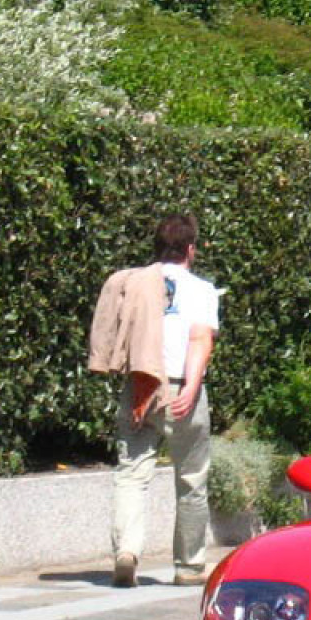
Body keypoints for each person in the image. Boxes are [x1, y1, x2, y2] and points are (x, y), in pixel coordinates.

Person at [110, 214, 220, 587]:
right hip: (179, 387)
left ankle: (127, 551)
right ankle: (188, 567)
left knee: (131, 474)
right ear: (190, 249)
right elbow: (200, 339)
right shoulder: (201, 290)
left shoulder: (133, 284)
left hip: (140, 385)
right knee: (191, 478)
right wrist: (191, 385)